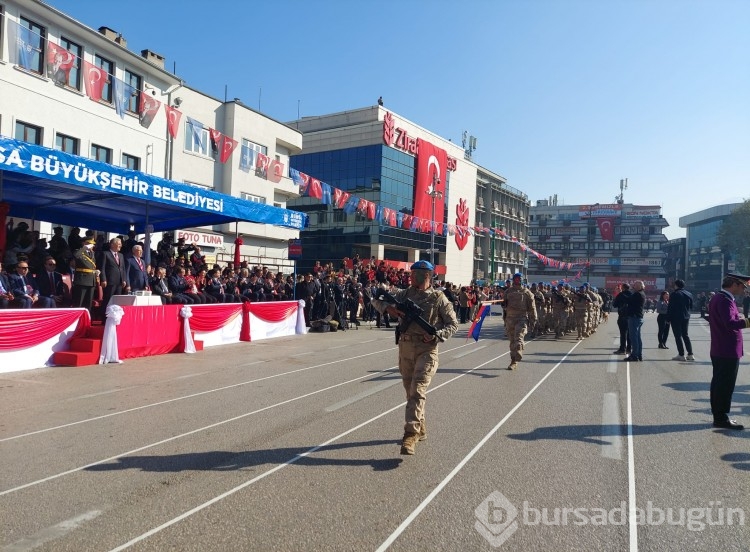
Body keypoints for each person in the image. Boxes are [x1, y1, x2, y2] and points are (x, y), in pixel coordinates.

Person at [371, 260, 458, 455]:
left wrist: (436, 334)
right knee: (410, 393)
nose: (410, 277)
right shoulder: (404, 294)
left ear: (426, 275)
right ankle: (420, 427)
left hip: (427, 350)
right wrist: (388, 308)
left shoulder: (438, 298)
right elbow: (375, 299)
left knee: (417, 390)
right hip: (405, 349)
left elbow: (453, 324)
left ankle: (410, 435)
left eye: (414, 274)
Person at [707, 273, 750, 430]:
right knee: (724, 385)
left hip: (722, 347)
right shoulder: (724, 300)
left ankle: (719, 415)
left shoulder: (721, 298)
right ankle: (721, 417)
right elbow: (730, 323)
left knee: (720, 383)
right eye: (742, 286)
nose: (744, 289)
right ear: (734, 284)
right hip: (727, 348)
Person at [503, 273, 537, 370]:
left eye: (519, 279)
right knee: (512, 341)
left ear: (522, 280)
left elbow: (532, 308)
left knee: (518, 339)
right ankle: (513, 360)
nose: (517, 281)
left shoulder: (527, 293)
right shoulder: (508, 292)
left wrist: (533, 319)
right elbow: (504, 305)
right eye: (516, 279)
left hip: (521, 318)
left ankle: (518, 354)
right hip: (510, 319)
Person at [667, 279, 695, 361]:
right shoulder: (689, 294)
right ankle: (690, 354)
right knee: (685, 335)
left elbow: (671, 307)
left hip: (676, 317)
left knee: (678, 336)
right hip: (686, 316)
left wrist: (668, 319)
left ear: (676, 285)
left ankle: (681, 354)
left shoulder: (674, 294)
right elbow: (691, 306)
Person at [98, 237, 130, 307]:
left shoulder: (121, 255)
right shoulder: (105, 254)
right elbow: (102, 268)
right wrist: (103, 279)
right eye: (119, 244)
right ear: (112, 244)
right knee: (108, 300)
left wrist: (124, 280)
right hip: (109, 282)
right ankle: (105, 317)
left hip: (119, 283)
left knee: (117, 301)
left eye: (120, 244)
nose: (121, 245)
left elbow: (123, 268)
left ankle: (115, 316)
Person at [72, 238, 99, 310]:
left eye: (92, 244)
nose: (92, 246)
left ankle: (86, 319)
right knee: (79, 303)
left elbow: (91, 265)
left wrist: (96, 271)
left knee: (88, 304)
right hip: (82, 281)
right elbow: (76, 256)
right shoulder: (80, 252)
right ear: (84, 243)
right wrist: (84, 248)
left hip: (91, 280)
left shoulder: (92, 253)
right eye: (90, 244)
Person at [624, 280, 646, 362]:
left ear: (641, 286)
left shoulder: (637, 294)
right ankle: (639, 354)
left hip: (634, 317)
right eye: (634, 285)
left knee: (633, 337)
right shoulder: (641, 293)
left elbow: (628, 300)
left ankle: (634, 355)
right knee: (637, 337)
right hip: (638, 317)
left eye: (636, 285)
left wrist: (622, 293)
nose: (634, 286)